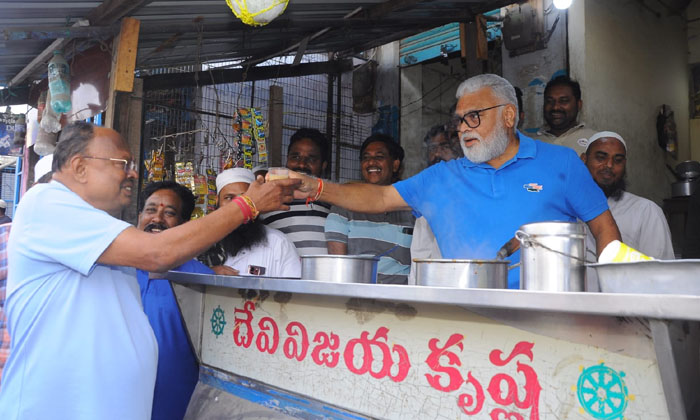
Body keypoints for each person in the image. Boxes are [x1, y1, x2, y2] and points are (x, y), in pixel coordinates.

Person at [0, 121, 298, 420]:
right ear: (79, 167)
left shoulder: (103, 229)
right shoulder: (48, 204)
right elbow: (159, 253)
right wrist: (246, 205)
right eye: (122, 164)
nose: (133, 173)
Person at [291, 74, 621, 289]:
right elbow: (378, 199)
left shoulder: (561, 163)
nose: (463, 128)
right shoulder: (442, 177)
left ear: (508, 116)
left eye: (474, 117)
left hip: (552, 318)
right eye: (459, 121)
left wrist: (611, 295)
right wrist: (316, 187)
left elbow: (604, 228)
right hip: (468, 320)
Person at [136, 181, 213, 420]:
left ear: (184, 225)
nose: (157, 219)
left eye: (169, 213)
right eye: (150, 210)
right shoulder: (115, 269)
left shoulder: (200, 279)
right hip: (117, 400)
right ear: (139, 217)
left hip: (175, 403)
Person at [325, 134, 414, 284]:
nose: (371, 162)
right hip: (358, 298)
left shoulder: (412, 207)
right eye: (366, 158)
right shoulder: (343, 206)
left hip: (402, 299)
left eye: (379, 157)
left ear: (395, 165)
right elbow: (338, 267)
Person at [581, 131, 674, 261]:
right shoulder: (566, 207)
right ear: (584, 159)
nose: (609, 165)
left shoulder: (646, 211)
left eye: (618, 160)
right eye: (601, 158)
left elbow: (661, 271)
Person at [201, 168, 301, 277]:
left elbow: (293, 291)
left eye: (244, 198)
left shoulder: (279, 244)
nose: (237, 205)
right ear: (217, 201)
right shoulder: (202, 242)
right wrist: (208, 272)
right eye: (229, 198)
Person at [260, 128, 332, 255]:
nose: (302, 165)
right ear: (287, 160)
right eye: (295, 157)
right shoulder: (271, 197)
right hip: (279, 273)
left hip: (323, 273)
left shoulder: (332, 200)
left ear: (323, 165)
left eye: (311, 159)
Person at [408, 124, 463, 284]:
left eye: (444, 147)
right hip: (430, 290)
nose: (437, 153)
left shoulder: (470, 189)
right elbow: (420, 250)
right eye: (432, 148)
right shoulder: (426, 192)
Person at [533, 75, 597, 156]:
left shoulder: (594, 141)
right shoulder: (530, 143)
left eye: (563, 101)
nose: (555, 107)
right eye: (550, 101)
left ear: (579, 104)